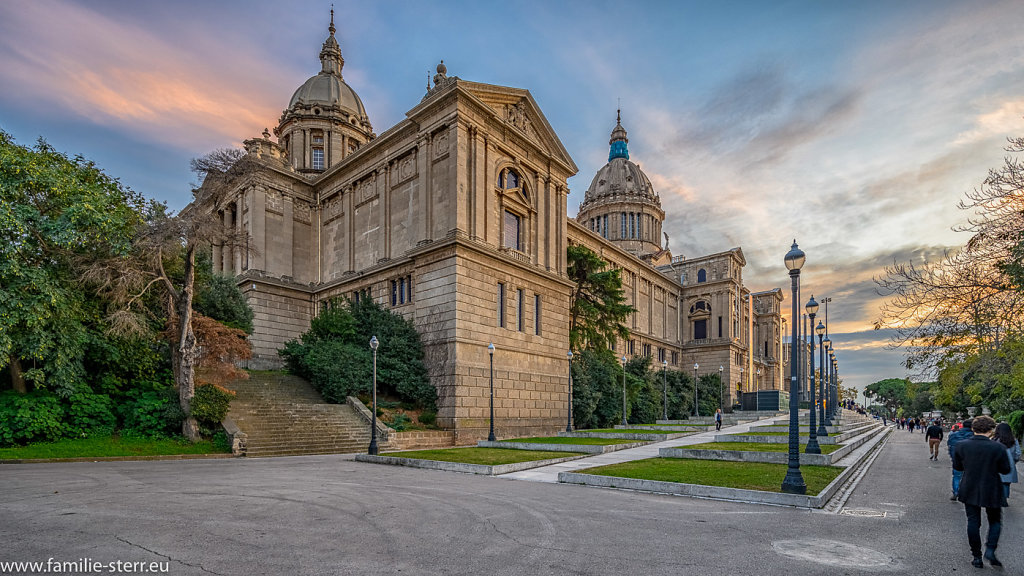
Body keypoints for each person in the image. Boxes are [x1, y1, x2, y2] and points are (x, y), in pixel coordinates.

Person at [953, 415, 1012, 568]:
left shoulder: (961, 445)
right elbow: (1005, 469)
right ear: (992, 430)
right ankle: (990, 549)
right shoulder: (998, 447)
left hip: (969, 486)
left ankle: (976, 556)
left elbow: (958, 467)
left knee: (973, 521)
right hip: (992, 487)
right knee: (995, 520)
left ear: (973, 428)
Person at [948, 418, 975, 500]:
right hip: (971, 460)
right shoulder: (973, 436)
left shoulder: (953, 434)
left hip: (957, 458)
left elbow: (950, 446)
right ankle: (969, 493)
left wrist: (953, 457)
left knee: (956, 476)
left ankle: (956, 492)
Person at [993, 422, 1021, 500]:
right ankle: (1004, 498)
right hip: (1009, 464)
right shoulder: (1013, 440)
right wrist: (1013, 461)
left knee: (996, 483)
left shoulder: (995, 440)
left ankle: (997, 498)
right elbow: (1018, 453)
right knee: (1006, 483)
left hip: (996, 465)